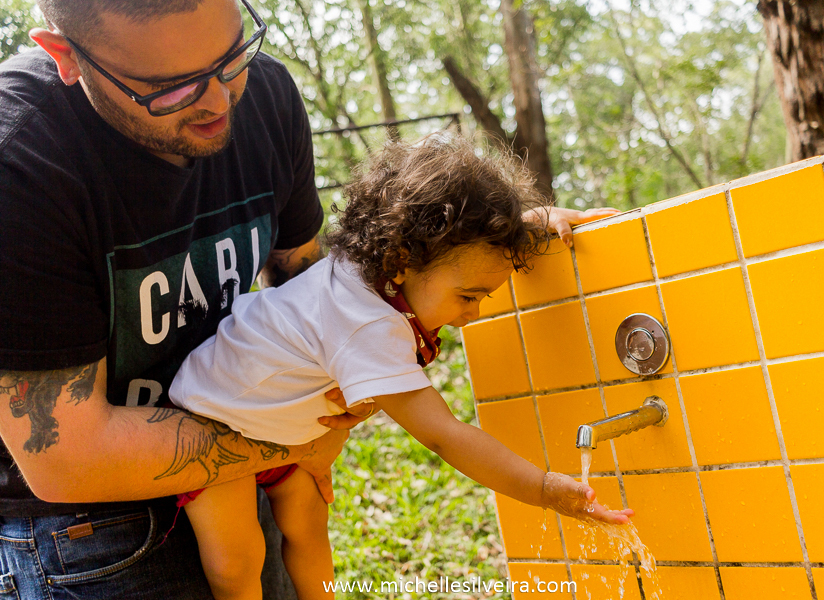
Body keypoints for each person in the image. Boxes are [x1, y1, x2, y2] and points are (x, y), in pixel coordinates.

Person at [0, 0, 613, 597]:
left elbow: (310, 279)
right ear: (66, 56)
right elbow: (66, 458)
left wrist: (496, 229)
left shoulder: (262, 94)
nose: (218, 102)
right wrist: (301, 440)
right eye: (170, 87)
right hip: (88, 526)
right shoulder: (20, 164)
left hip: (249, 438)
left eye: (231, 55)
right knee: (237, 565)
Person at [168, 135, 634, 600]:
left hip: (281, 432)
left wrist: (531, 223)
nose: (474, 313)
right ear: (401, 261)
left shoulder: (378, 262)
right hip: (216, 424)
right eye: (469, 296)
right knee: (238, 561)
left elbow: (452, 237)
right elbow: (445, 435)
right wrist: (545, 489)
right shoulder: (365, 323)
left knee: (308, 529)